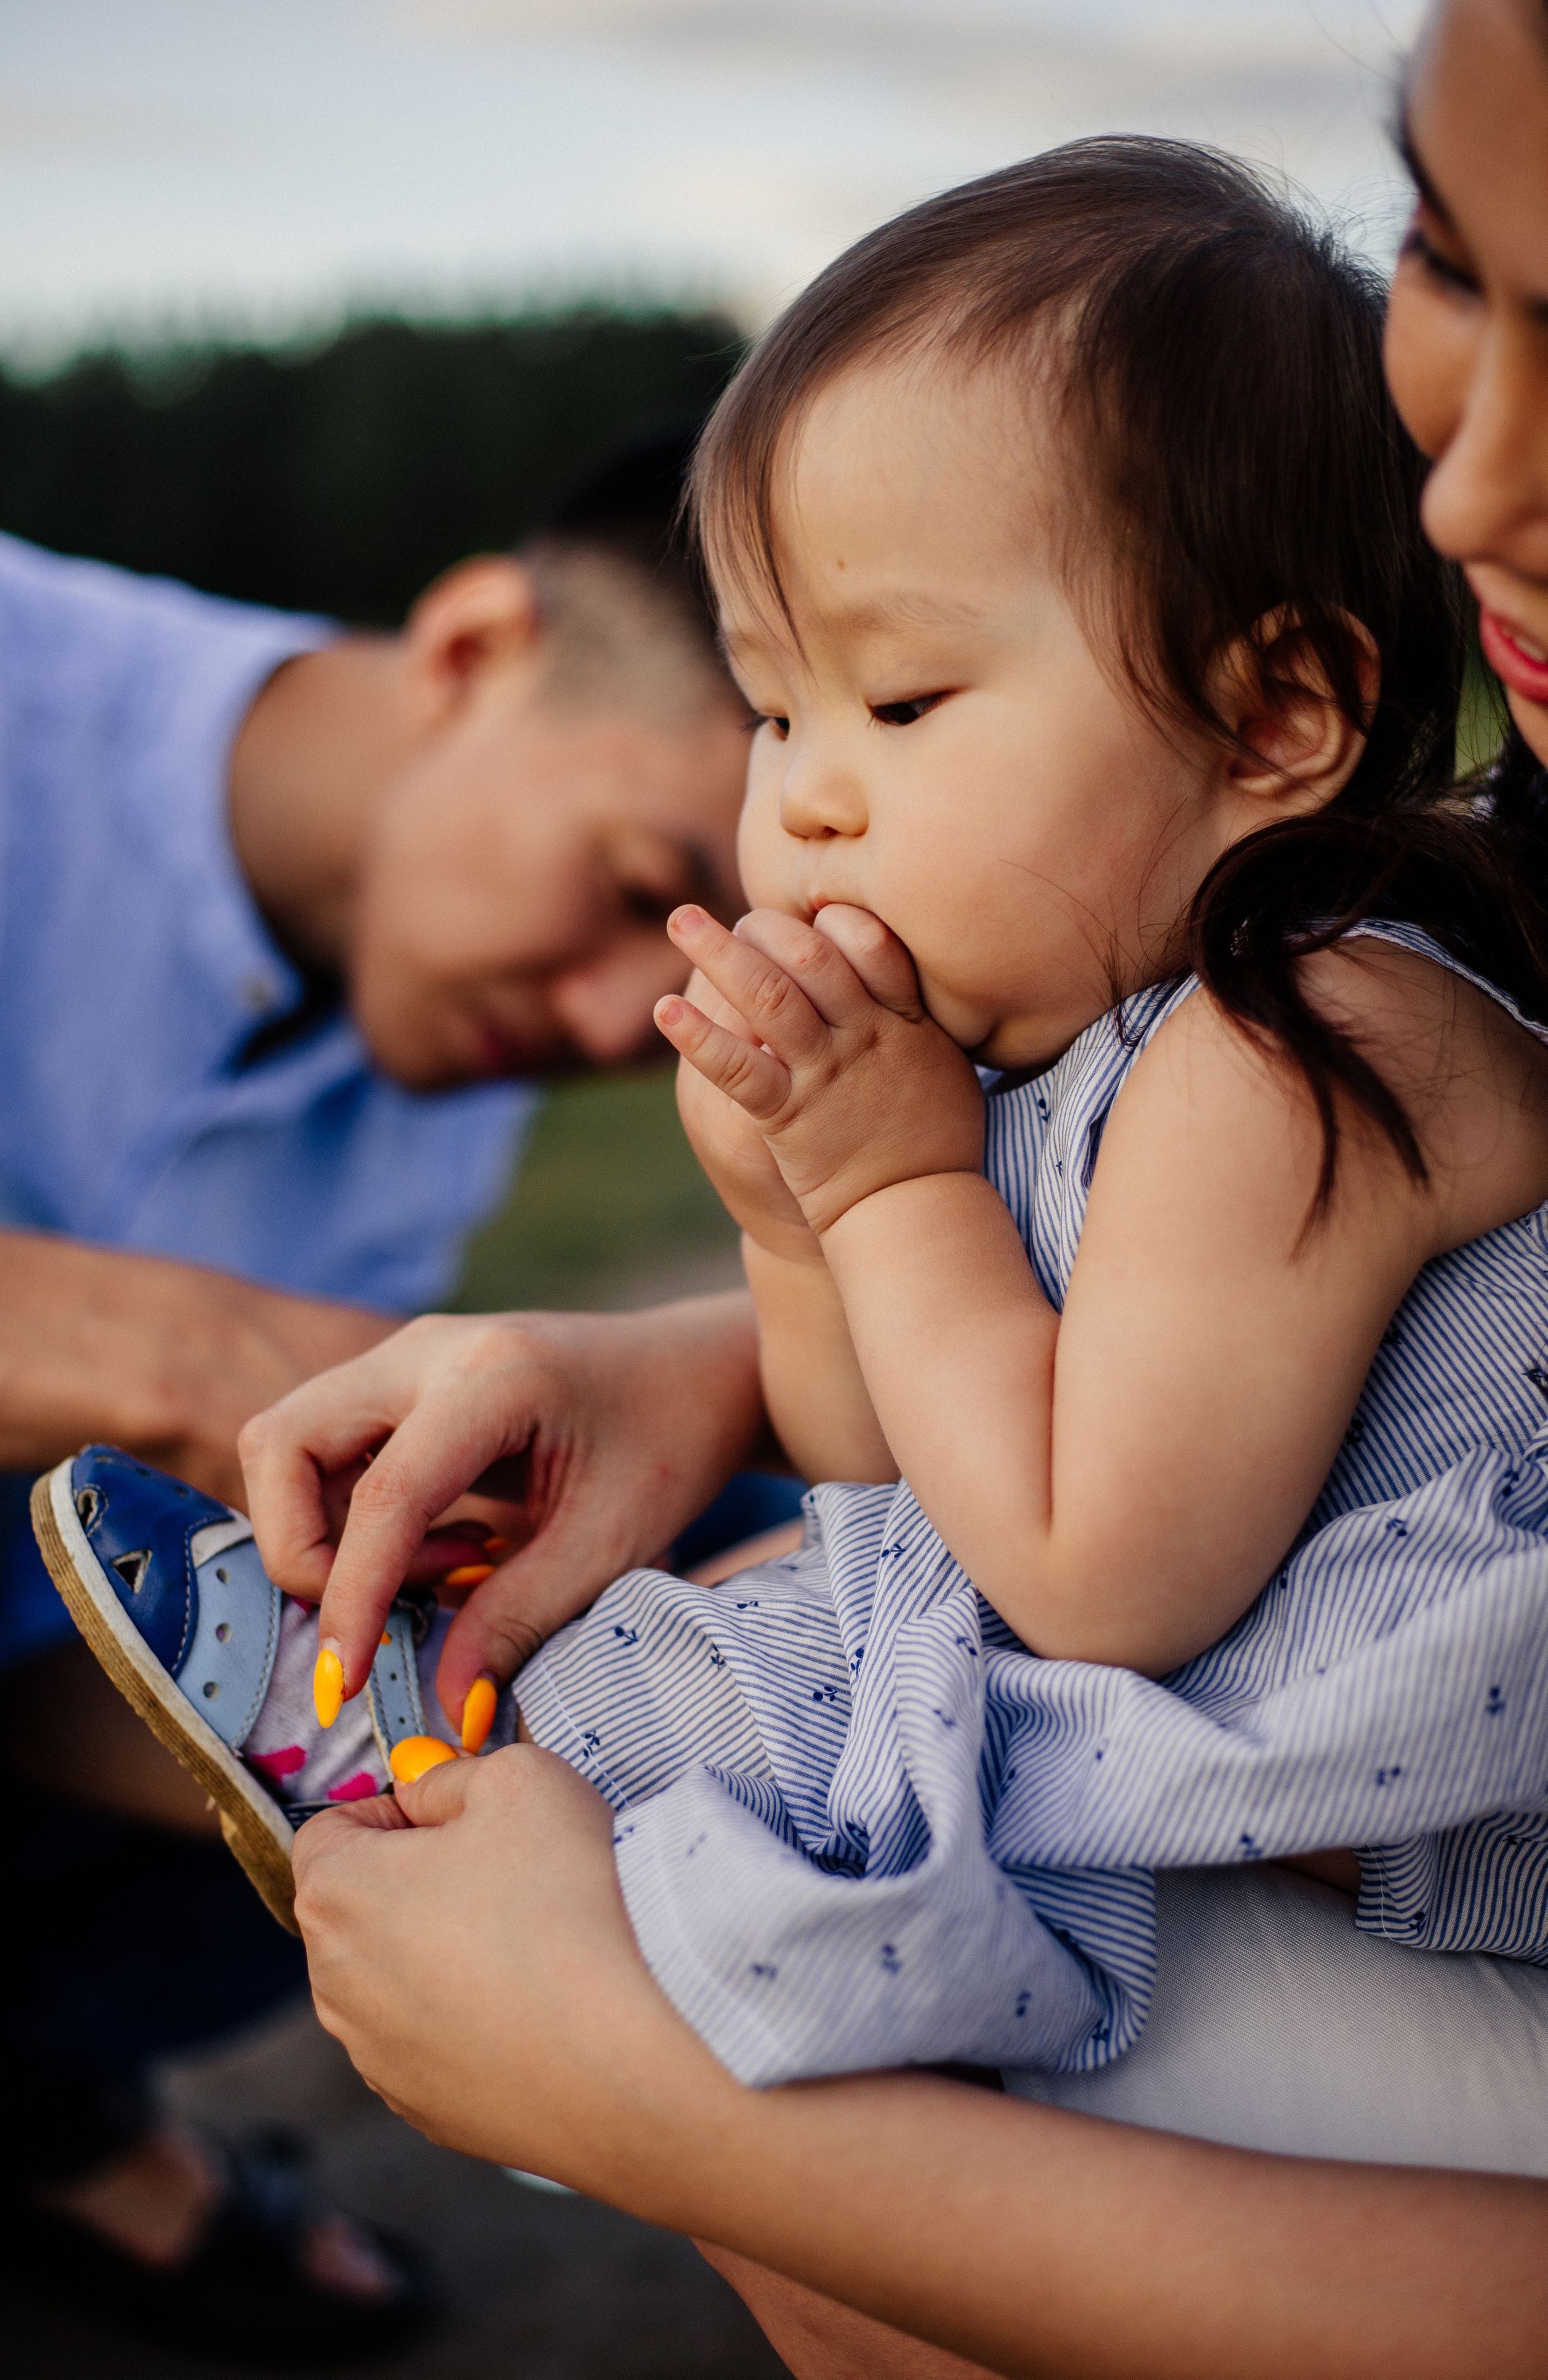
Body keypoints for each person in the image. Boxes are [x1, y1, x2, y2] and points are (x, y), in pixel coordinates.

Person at [247, 0, 1548, 2369]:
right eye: (773, 709)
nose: (809, 804)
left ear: (1274, 717)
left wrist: (887, 1200)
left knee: (776, 1981)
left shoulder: (1303, 1045)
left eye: (905, 705)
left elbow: (1090, 1577)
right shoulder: (1128, 1027)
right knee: (800, 1726)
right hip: (1334, 1845)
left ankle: (472, 1809)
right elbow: (906, 1499)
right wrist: (788, 1219)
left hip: (1480, 1960)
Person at [0, 426, 758, 2357]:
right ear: (479, 645)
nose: (603, 1030)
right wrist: (179, 1350)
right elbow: (195, 1388)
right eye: (634, 885)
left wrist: (437, 1728)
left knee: (650, 1580)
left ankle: (16, 2092)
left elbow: (60, 1658)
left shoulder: (442, 1075)